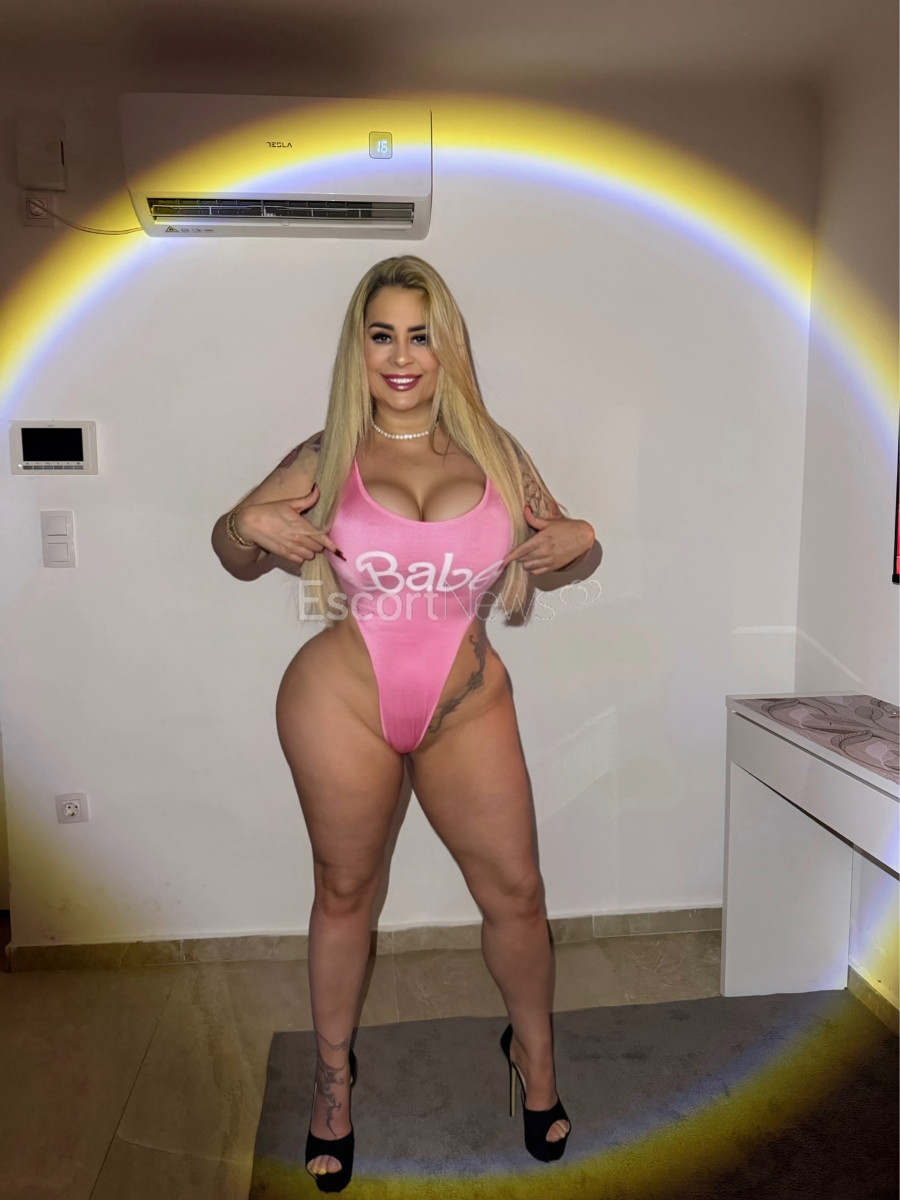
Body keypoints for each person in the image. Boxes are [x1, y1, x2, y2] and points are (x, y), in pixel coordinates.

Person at [211, 256, 596, 1191]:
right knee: (346, 892)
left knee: (518, 894)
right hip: (341, 702)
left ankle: (535, 1057)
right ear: (359, 347)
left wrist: (584, 542)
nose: (400, 355)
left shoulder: (496, 453)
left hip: (467, 706)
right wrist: (244, 524)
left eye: (420, 335)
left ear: (447, 345)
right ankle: (332, 1081)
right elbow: (234, 550)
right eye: (381, 334)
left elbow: (565, 550)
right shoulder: (327, 452)